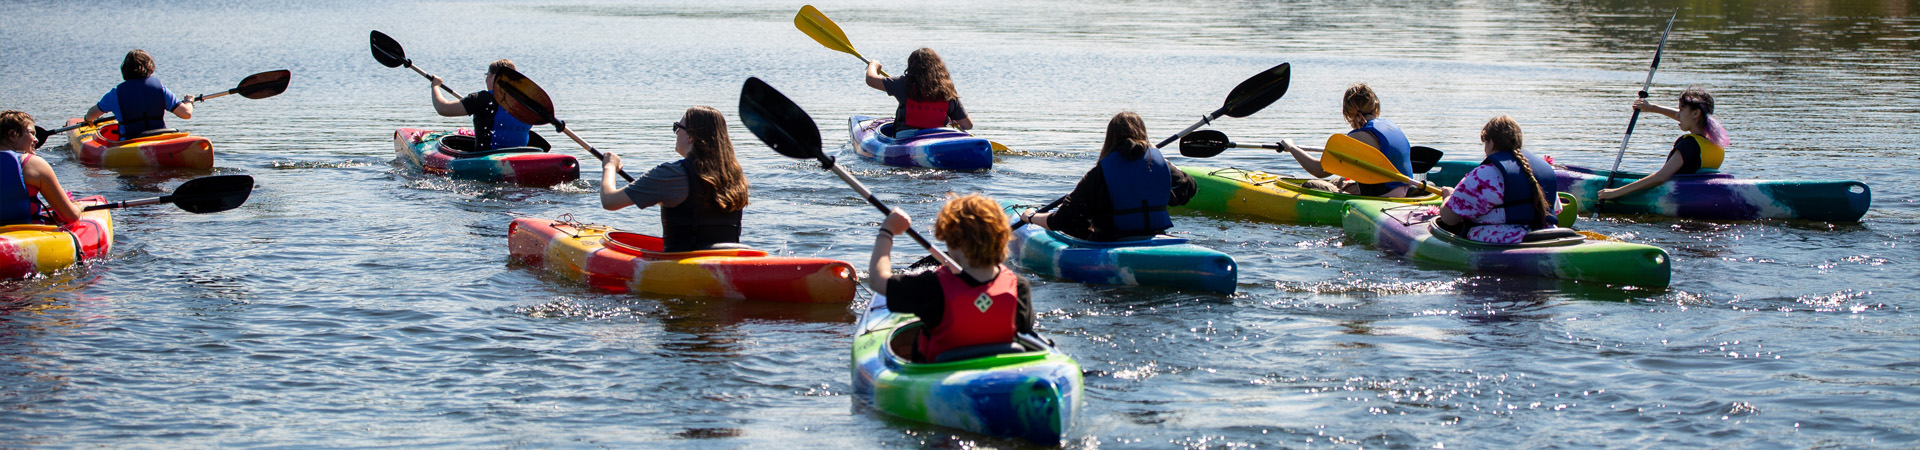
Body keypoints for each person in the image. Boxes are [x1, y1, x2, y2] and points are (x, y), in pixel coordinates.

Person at [869, 194, 1033, 363]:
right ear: (1002, 239)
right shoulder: (1019, 286)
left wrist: (887, 231)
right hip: (1001, 376)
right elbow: (1024, 329)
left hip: (940, 376)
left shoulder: (933, 287)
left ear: (952, 242)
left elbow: (877, 280)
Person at [1022, 112, 1196, 242]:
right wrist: (1162, 167)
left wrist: (1030, 217)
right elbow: (1190, 187)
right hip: (1155, 237)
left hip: (1111, 242)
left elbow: (1062, 220)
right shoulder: (1160, 164)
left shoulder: (1099, 174)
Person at [598, 106, 749, 252]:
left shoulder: (670, 174)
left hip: (684, 265)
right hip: (729, 261)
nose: (676, 133)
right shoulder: (734, 176)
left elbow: (609, 201)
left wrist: (610, 167)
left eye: (677, 127)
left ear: (690, 137)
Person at [1436, 116, 1562, 244]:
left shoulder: (1486, 175)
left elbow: (1449, 218)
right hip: (1547, 238)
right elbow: (1556, 210)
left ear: (1491, 143)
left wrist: (1448, 196)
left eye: (1485, 143)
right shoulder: (1543, 169)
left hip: (1505, 243)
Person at [1276, 83, 1416, 197]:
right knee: (1339, 181)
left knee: (1311, 185)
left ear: (1347, 113)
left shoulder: (1358, 137)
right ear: (1376, 106)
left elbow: (1319, 170)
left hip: (1383, 198)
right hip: (1406, 189)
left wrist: (1292, 147)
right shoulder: (1391, 126)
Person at [1599, 87, 1730, 200]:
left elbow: (1661, 177)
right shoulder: (1715, 142)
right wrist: (1652, 108)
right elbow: (1689, 119)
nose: (1678, 114)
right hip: (1704, 195)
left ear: (1696, 113)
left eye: (1681, 109)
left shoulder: (1689, 145)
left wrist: (1615, 193)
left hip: (1681, 197)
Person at [84, 49, 194, 140]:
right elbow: (186, 114)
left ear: (125, 69)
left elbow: (91, 114)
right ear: (150, 67)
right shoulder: (160, 89)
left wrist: (88, 120)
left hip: (129, 143)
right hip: (159, 139)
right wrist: (188, 101)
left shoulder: (115, 94)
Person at [865, 48, 972, 138]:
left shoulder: (902, 83)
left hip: (907, 138)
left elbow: (871, 79)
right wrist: (952, 120)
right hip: (938, 136)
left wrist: (873, 65)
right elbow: (967, 125)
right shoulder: (947, 89)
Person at [0, 111, 83, 226]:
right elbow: (70, 216)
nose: (36, 140)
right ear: (12, 134)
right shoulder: (33, 164)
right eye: (31, 133)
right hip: (25, 236)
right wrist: (78, 208)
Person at [429, 59, 532, 151]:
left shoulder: (482, 99)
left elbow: (442, 108)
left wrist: (435, 86)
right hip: (519, 155)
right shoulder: (525, 103)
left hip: (486, 160)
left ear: (495, 77)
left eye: (487, 75)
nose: (486, 80)